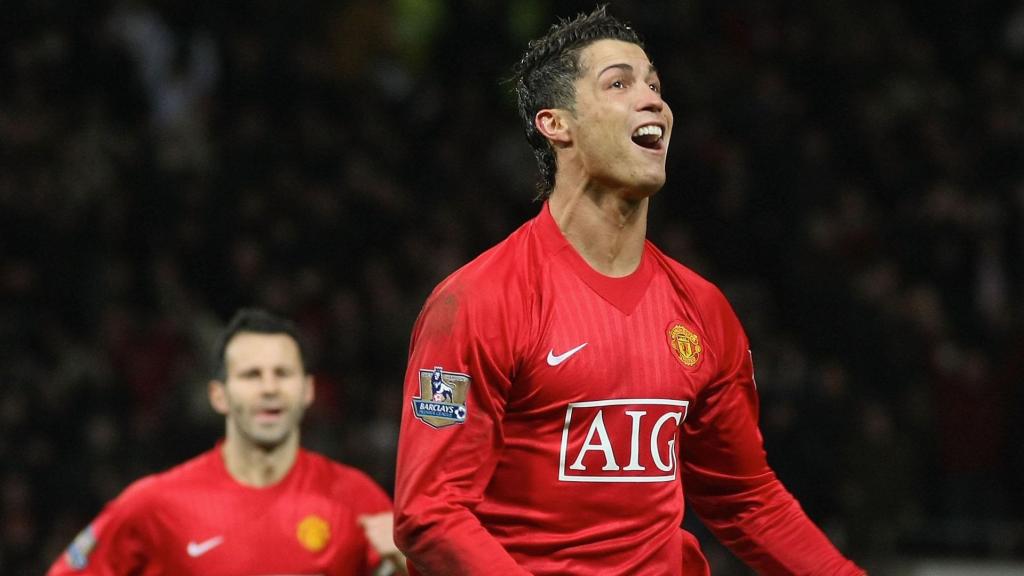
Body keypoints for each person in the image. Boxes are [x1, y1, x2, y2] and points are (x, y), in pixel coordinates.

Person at [393, 6, 865, 575]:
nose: (653, 101)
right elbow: (430, 511)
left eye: (655, 86)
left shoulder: (705, 312)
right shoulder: (478, 300)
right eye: (619, 83)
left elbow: (748, 500)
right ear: (556, 124)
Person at [48, 308, 407, 576]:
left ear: (308, 390)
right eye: (251, 375)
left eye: (282, 373)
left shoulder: (358, 500)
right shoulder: (155, 505)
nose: (269, 388)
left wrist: (409, 564)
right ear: (219, 395)